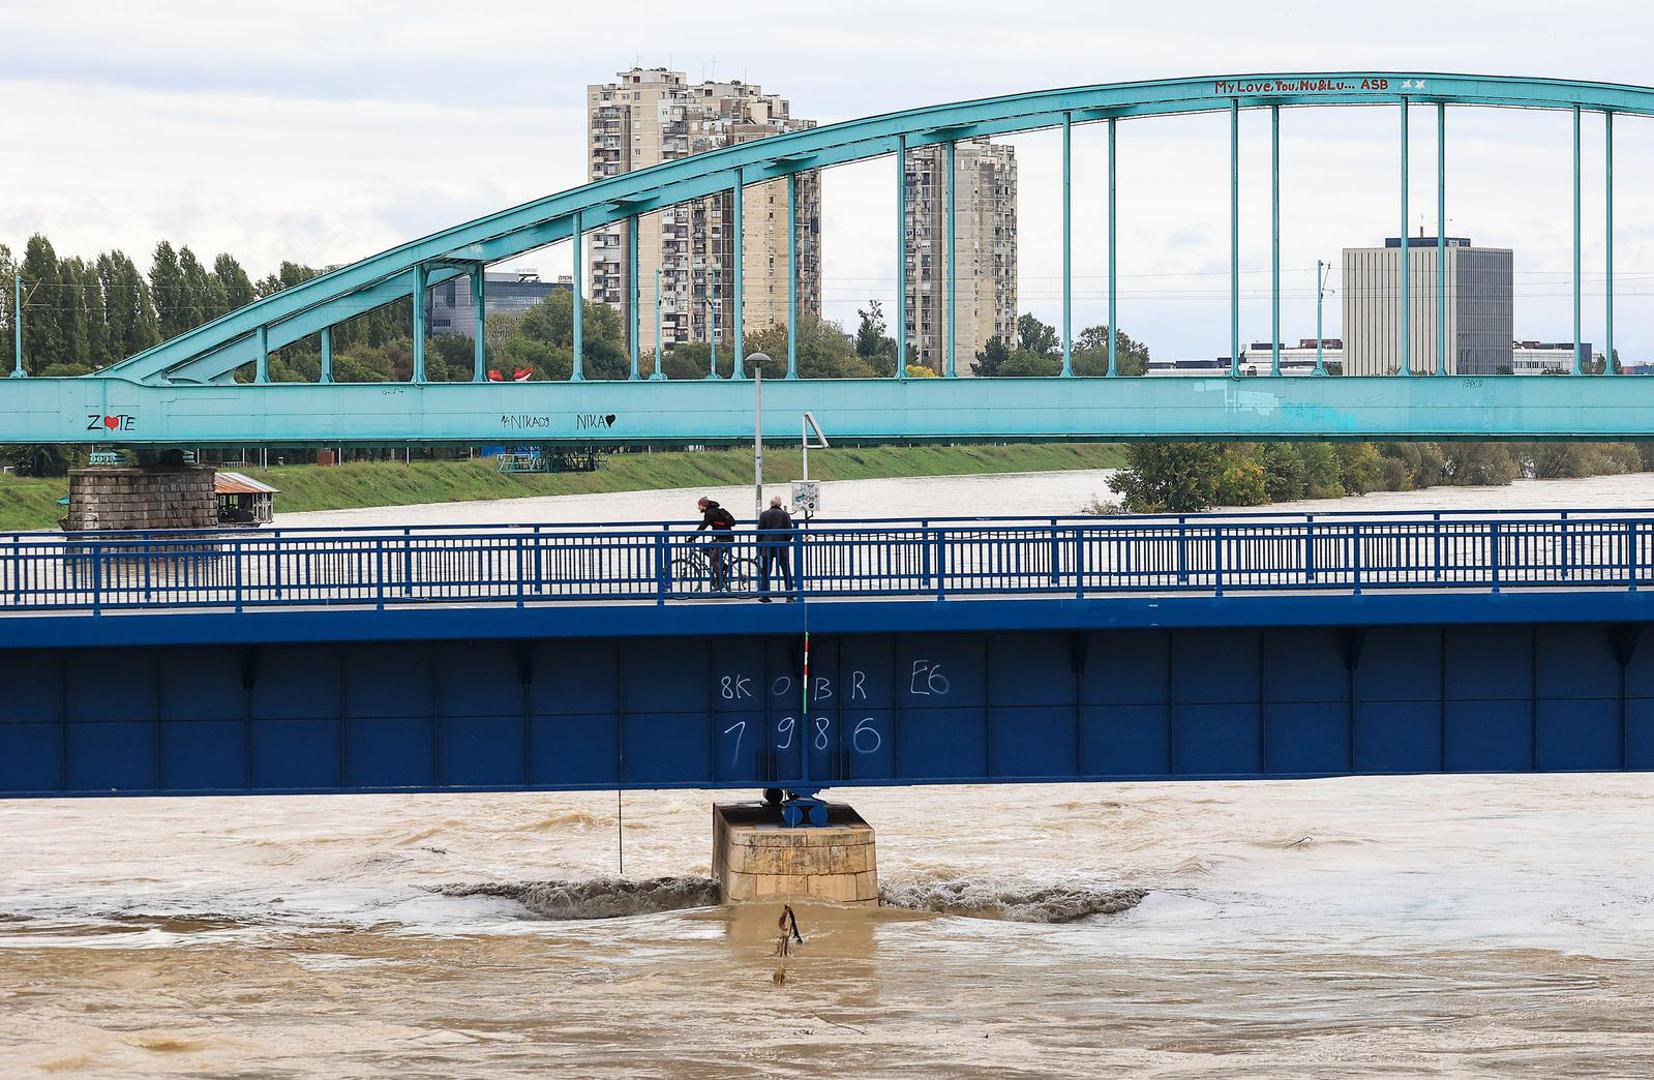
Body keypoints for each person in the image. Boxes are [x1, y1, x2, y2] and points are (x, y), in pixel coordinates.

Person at [756, 495, 795, 602]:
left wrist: (759, 545)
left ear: (771, 504)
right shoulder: (785, 515)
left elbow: (759, 532)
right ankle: (789, 595)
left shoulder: (763, 514)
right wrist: (785, 541)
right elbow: (790, 532)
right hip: (781, 547)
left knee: (765, 571)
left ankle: (764, 595)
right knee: (786, 570)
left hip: (767, 547)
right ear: (780, 504)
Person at [695, 496, 737, 591]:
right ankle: (723, 566)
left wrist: (692, 537)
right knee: (705, 549)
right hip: (723, 538)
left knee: (714, 560)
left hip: (723, 540)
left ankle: (719, 582)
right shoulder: (715, 511)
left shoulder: (710, 513)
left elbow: (702, 527)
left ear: (704, 506)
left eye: (700, 506)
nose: (699, 508)